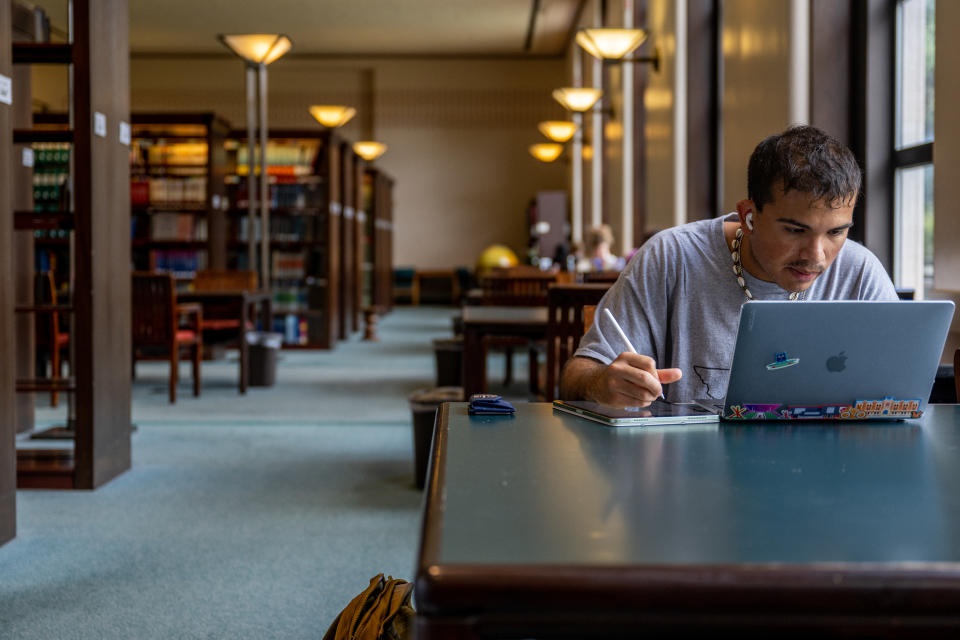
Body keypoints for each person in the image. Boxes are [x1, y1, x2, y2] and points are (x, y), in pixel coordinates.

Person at [560, 125, 898, 408]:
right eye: (796, 230)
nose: (816, 256)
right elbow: (577, 375)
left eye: (836, 232)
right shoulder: (671, 257)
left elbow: (900, 390)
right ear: (749, 216)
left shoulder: (861, 273)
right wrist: (601, 383)